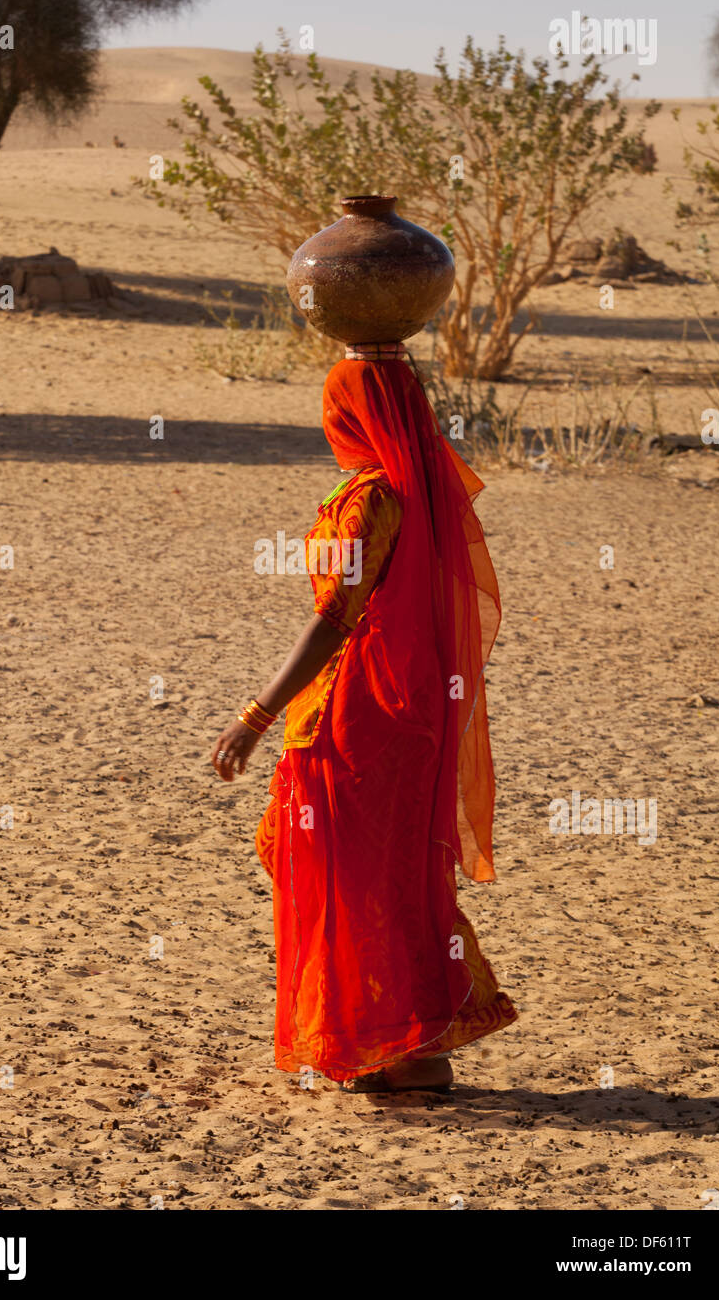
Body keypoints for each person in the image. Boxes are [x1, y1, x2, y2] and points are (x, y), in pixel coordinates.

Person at [211, 342, 516, 1092]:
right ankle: (400, 1043)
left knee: (349, 871)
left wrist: (254, 716)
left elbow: (332, 620)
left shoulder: (373, 499)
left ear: (354, 414)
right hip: (407, 706)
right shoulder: (418, 490)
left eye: (335, 405)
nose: (326, 418)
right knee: (388, 870)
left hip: (359, 716)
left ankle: (401, 1043)